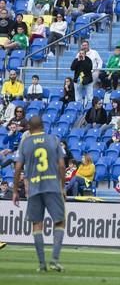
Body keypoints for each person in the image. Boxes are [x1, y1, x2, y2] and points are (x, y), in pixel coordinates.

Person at [13, 116, 66, 272]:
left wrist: (15, 190)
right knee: (60, 221)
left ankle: (42, 264)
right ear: (43, 126)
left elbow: (17, 168)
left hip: (34, 188)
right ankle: (54, 260)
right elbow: (62, 165)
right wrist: (62, 186)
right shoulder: (54, 139)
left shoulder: (25, 143)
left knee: (37, 224)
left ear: (29, 127)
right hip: (52, 186)